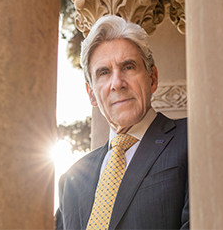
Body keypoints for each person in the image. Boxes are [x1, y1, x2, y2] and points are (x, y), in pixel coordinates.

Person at [55, 15, 189, 230]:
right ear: (91, 94)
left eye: (128, 67)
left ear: (152, 78)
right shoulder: (71, 180)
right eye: (104, 72)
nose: (117, 83)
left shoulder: (192, 138)